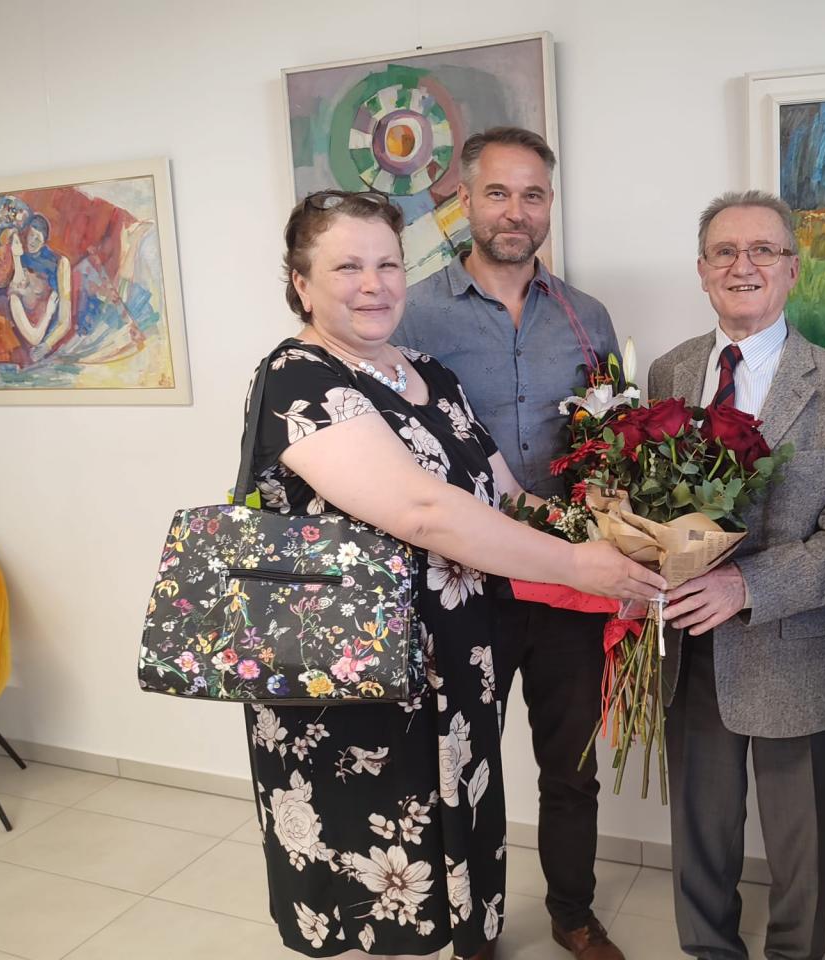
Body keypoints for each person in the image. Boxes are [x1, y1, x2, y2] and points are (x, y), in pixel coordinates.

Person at [243, 189, 665, 960]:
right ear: (301, 283)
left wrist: (623, 534)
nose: (374, 285)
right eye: (346, 267)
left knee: (454, 832)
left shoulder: (430, 374)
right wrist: (579, 566)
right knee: (374, 862)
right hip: (358, 683)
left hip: (452, 665)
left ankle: (467, 942)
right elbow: (426, 511)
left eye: (387, 265)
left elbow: (505, 494)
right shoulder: (297, 378)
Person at [394, 127, 626, 960]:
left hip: (568, 580)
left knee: (571, 768)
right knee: (462, 766)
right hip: (460, 585)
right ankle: (473, 926)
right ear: (465, 200)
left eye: (532, 195)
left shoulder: (586, 316)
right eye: (498, 193)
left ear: (549, 205)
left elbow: (612, 436)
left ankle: (572, 914)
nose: (515, 212)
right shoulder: (412, 313)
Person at [648, 190, 825, 960]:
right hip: (690, 651)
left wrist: (746, 586)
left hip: (798, 651)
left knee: (801, 848)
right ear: (702, 269)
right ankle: (707, 950)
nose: (741, 265)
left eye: (762, 250)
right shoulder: (668, 371)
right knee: (699, 832)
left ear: (792, 269)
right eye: (724, 251)